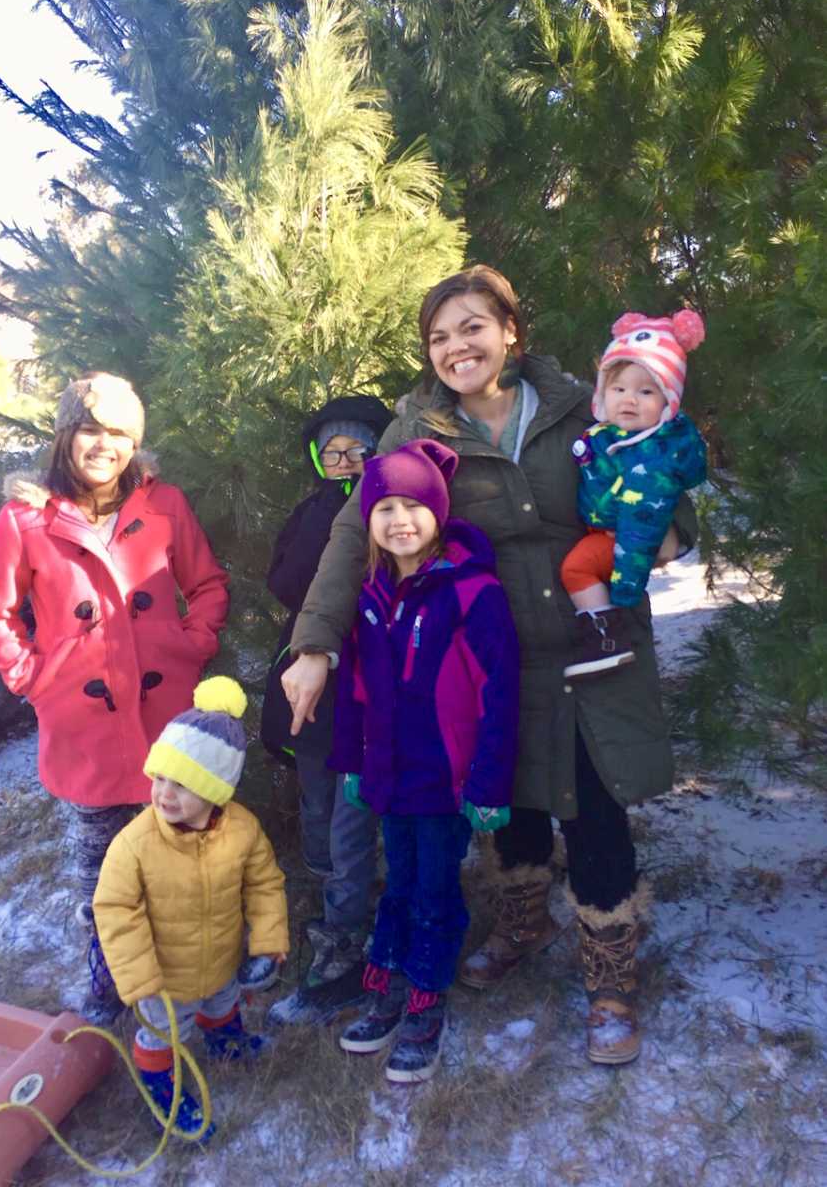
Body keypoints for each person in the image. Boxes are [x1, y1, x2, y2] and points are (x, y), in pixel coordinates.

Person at [281, 267, 697, 1066]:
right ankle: (523, 919)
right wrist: (313, 645)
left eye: (472, 327)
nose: (456, 347)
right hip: (484, 655)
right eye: (439, 336)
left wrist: (671, 527)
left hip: (593, 642)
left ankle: (609, 978)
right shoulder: (417, 429)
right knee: (504, 800)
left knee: (595, 806)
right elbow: (349, 533)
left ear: (511, 330)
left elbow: (658, 467)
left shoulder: (586, 403)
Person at [0, 373, 229, 1022]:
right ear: (65, 436)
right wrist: (34, 676)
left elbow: (209, 584)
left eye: (118, 432)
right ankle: (111, 983)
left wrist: (188, 644)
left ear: (133, 441)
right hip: (86, 729)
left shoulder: (163, 502)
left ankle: (189, 973)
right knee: (105, 871)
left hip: (167, 721)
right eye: (90, 429)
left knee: (181, 855)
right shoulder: (25, 517)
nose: (104, 445)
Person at [330, 439, 518, 1082]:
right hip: (389, 774)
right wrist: (354, 765)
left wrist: (488, 781)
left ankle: (426, 1000)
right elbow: (354, 688)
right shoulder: (371, 595)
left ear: (438, 512)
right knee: (399, 883)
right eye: (385, 508)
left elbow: (499, 689)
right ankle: (385, 984)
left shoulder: (472, 591)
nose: (399, 520)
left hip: (446, 779)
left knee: (436, 888)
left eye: (414, 505)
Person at [93, 677, 289, 1142]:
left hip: (221, 957)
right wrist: (140, 975)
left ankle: (225, 1040)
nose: (164, 793)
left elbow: (264, 882)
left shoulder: (241, 830)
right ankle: (163, 1086)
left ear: (215, 791)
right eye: (160, 778)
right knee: (164, 1033)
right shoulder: (135, 844)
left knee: (222, 1002)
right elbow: (115, 907)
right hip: (166, 975)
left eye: (181, 784)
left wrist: (267, 939)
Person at [260, 396, 392, 1024]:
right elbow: (284, 582)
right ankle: (327, 905)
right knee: (317, 799)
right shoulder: (310, 511)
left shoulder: (392, 509)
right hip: (309, 684)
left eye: (357, 450)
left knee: (351, 811)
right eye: (332, 452)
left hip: (367, 684)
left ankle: (351, 925)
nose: (344, 462)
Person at [561, 311, 708, 678]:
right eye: (619, 389)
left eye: (646, 391)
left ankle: (606, 634)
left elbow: (642, 525)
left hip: (622, 539)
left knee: (576, 568)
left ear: (668, 400)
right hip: (606, 530)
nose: (629, 400)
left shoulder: (652, 460)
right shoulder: (614, 435)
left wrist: (626, 588)